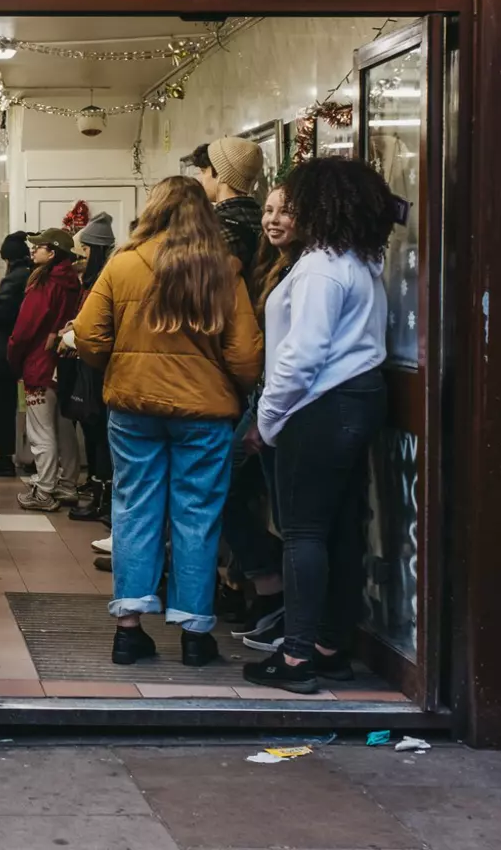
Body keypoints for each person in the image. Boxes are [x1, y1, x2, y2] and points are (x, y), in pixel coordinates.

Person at [72, 176, 263, 667]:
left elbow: (89, 337)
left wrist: (122, 365)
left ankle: (129, 631)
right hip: (204, 413)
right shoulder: (223, 271)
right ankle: (196, 635)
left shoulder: (124, 264)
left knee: (135, 509)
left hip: (133, 409)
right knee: (196, 515)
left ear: (152, 209)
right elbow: (245, 357)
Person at [243, 158, 396, 694]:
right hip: (360, 399)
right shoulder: (358, 261)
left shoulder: (319, 268)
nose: (288, 213)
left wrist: (266, 419)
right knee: (342, 529)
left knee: (303, 533)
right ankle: (330, 647)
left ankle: (297, 658)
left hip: (321, 405)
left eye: (298, 204)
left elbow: (301, 355)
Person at [225, 183, 301, 652]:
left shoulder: (307, 272)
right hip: (263, 398)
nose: (272, 220)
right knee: (232, 491)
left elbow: (297, 354)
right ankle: (267, 586)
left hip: (277, 404)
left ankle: (276, 593)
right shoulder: (271, 265)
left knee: (281, 511)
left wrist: (263, 416)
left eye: (285, 212)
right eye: (269, 210)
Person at [7, 229, 85, 512]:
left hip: (39, 363)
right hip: (63, 363)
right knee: (64, 427)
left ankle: (45, 491)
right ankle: (67, 483)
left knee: (40, 431)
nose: (33, 250)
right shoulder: (73, 283)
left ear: (52, 253)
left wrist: (13, 355)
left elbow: (25, 328)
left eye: (39, 247)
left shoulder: (44, 284)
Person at [62, 214, 117, 522]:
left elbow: (99, 328)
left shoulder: (103, 282)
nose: (78, 259)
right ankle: (99, 494)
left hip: (99, 369)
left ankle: (104, 499)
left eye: (83, 251)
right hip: (91, 366)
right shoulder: (90, 282)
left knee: (100, 435)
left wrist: (75, 334)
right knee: (94, 433)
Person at [0, 232, 31, 478]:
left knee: (2, 406)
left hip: (3, 351)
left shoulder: (16, 278)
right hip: (16, 351)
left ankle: (5, 457)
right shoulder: (29, 274)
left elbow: (0, 311)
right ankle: (21, 455)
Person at [192, 137, 266, 273]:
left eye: (204, 171)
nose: (201, 179)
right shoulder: (264, 221)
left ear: (220, 174)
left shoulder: (210, 230)